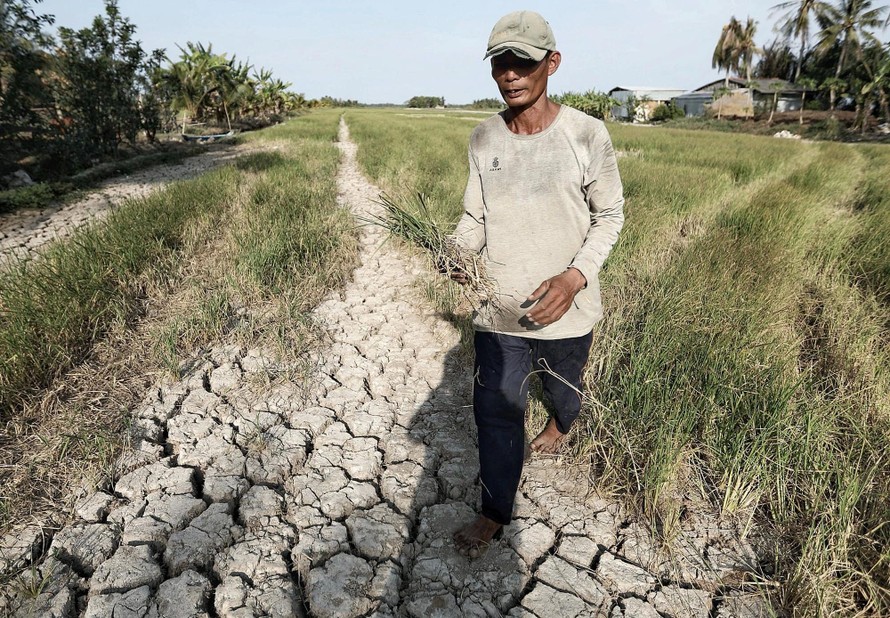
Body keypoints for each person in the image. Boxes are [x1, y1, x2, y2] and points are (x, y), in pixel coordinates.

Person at [449, 10, 625, 557]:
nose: (510, 74)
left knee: (562, 389)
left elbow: (611, 215)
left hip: (567, 310)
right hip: (499, 311)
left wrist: (575, 278)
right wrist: (457, 252)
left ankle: (563, 425)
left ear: (552, 63)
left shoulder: (586, 134)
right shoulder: (483, 138)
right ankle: (495, 508)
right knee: (497, 408)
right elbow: (474, 219)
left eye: (523, 62)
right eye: (501, 62)